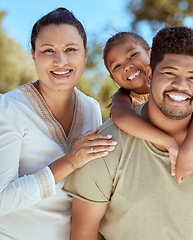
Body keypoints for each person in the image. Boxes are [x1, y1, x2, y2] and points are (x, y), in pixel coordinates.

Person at [62, 26, 193, 240]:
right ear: (151, 73)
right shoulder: (105, 146)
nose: (180, 85)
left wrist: (186, 149)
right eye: (170, 73)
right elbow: (83, 233)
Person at [0, 8, 116, 240]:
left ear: (85, 54)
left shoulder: (92, 108)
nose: (60, 60)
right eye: (47, 50)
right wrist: (69, 161)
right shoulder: (9, 108)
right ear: (33, 54)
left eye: (71, 49)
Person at [103, 32, 193, 184]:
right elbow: (122, 117)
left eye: (132, 55)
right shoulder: (122, 98)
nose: (127, 66)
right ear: (113, 78)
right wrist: (168, 142)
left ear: (151, 52)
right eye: (117, 66)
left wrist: (187, 151)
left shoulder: (177, 89)